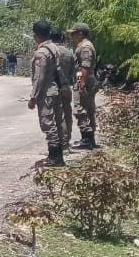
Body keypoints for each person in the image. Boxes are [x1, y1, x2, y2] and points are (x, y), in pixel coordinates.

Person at [27, 21, 65, 167]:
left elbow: (39, 77)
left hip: (46, 93)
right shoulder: (55, 48)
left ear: (36, 36)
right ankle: (58, 155)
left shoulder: (41, 52)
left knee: (48, 124)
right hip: (57, 90)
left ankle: (55, 157)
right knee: (57, 122)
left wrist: (33, 97)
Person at [70, 22, 100, 150]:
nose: (72, 36)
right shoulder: (83, 45)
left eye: (74, 33)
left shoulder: (85, 47)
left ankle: (87, 139)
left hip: (85, 80)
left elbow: (85, 66)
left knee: (81, 109)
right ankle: (89, 138)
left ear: (80, 33)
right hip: (85, 79)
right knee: (88, 109)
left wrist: (81, 84)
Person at [49, 28, 76, 151]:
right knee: (67, 115)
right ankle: (65, 143)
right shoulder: (68, 53)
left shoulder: (48, 52)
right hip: (65, 87)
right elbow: (73, 72)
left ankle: (57, 143)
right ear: (62, 38)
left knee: (55, 116)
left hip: (52, 88)